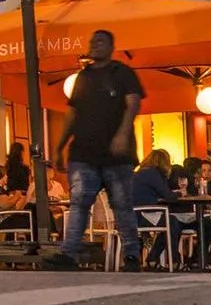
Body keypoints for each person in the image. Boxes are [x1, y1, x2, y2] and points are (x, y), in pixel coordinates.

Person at [42, 30, 145, 271]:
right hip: (83, 153)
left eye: (100, 41)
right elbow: (72, 113)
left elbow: (133, 104)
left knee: (121, 205)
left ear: (111, 46)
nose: (95, 45)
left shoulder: (122, 73)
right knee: (78, 203)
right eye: (92, 42)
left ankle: (131, 255)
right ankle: (69, 254)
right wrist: (59, 146)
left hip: (116, 156)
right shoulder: (83, 77)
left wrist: (122, 133)